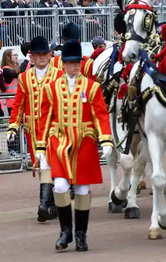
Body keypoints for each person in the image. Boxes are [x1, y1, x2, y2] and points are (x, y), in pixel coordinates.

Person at [37, 40, 113, 251]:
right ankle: (65, 231)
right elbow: (45, 118)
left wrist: (106, 138)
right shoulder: (51, 88)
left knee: (82, 189)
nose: (75, 66)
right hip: (60, 142)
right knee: (60, 186)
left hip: (84, 143)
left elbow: (100, 115)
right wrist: (41, 148)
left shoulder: (92, 86)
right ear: (63, 64)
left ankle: (81, 234)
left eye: (77, 62)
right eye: (71, 62)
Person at [6, 36, 64, 223]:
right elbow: (18, 104)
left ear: (49, 55)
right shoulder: (24, 77)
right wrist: (13, 125)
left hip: (54, 129)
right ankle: (51, 204)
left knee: (49, 164)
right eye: (37, 55)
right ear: (31, 57)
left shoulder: (58, 74)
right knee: (41, 166)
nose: (41, 58)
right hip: (33, 130)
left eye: (44, 54)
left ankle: (43, 206)